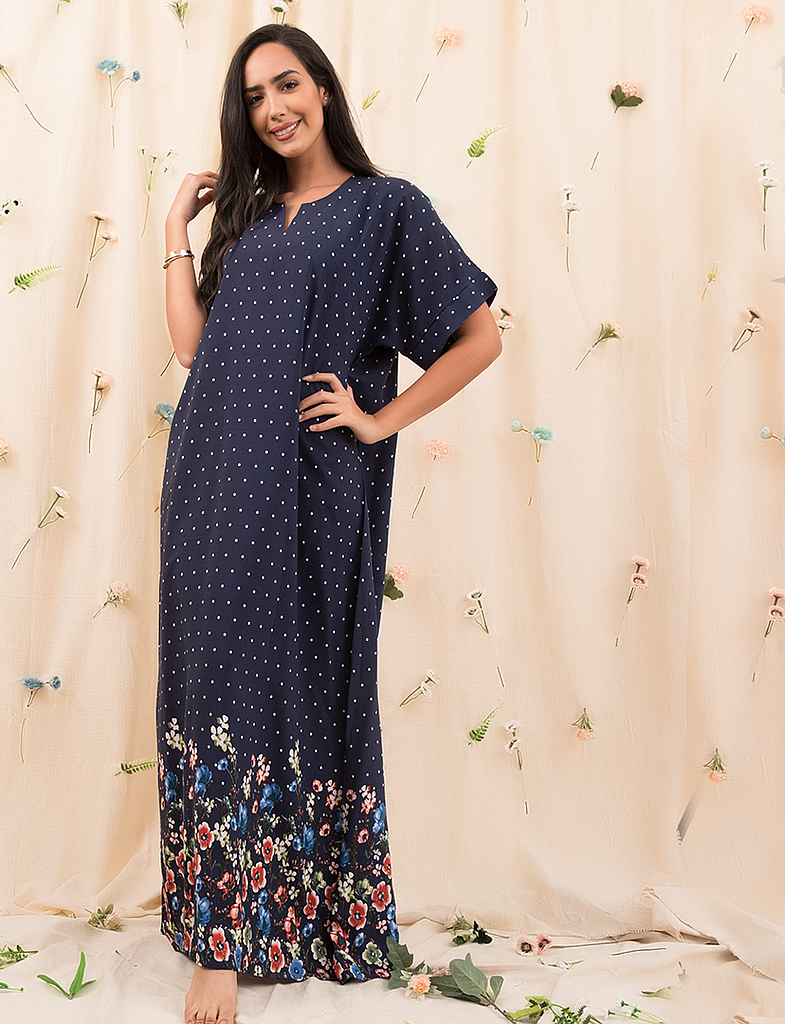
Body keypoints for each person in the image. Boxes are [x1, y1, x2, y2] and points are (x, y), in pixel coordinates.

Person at [157, 23, 501, 1024]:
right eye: (254, 97)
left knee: (299, 678)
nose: (273, 108)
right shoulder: (248, 217)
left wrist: (380, 419)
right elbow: (194, 348)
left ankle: (306, 917)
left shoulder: (388, 208)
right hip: (211, 476)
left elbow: (478, 336)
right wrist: (172, 230)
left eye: (287, 84)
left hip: (312, 480)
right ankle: (221, 940)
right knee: (214, 682)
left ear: (322, 87)